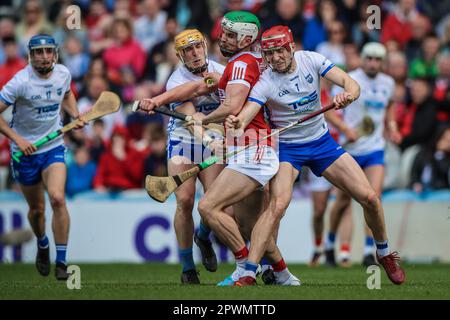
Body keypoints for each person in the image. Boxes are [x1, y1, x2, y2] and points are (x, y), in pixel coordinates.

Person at [225, 26, 405, 285]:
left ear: (291, 48)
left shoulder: (311, 59)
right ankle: (250, 272)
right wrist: (237, 123)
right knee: (277, 205)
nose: (275, 58)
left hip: (322, 143)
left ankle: (384, 253)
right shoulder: (266, 82)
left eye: (279, 51)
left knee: (370, 198)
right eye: (269, 53)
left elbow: (350, 84)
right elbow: (247, 114)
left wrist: (348, 95)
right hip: (288, 148)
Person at [139, 12, 299, 286]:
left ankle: (236, 259)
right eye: (187, 50)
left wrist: (213, 130)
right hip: (191, 142)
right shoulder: (182, 78)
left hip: (240, 142)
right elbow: (194, 96)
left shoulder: (232, 65)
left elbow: (230, 105)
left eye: (197, 46)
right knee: (189, 202)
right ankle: (192, 267)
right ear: (179, 55)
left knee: (218, 207)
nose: (195, 53)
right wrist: (159, 99)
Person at [0, 34, 86, 280]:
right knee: (37, 211)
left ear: (55, 53)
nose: (44, 56)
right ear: (30, 56)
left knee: (58, 198)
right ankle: (42, 243)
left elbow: (67, 94)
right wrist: (18, 140)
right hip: (25, 153)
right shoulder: (20, 82)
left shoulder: (63, 73)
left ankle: (61, 261)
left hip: (53, 147)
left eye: (48, 51)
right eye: (38, 52)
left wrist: (75, 114)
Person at [325, 42, 403, 268]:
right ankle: (330, 246)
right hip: (350, 150)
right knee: (341, 202)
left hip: (375, 149)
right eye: (369, 58)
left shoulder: (388, 83)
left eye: (378, 60)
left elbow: (389, 108)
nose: (373, 63)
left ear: (383, 62)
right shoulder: (348, 79)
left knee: (372, 199)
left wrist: (392, 127)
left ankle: (370, 251)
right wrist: (345, 129)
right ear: (362, 58)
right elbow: (329, 111)